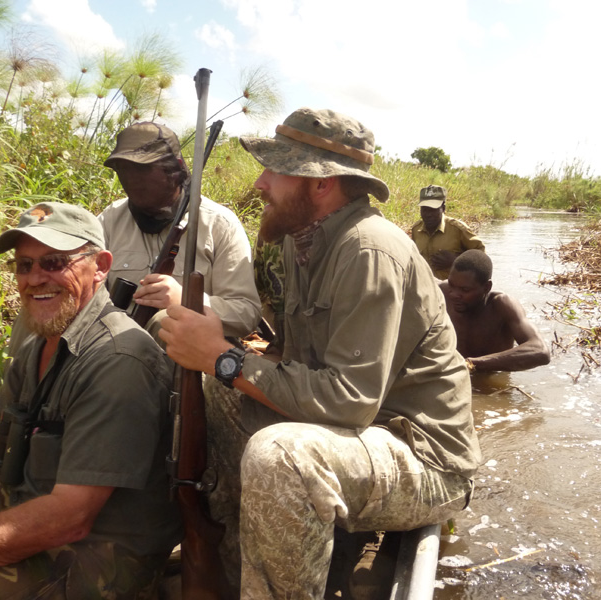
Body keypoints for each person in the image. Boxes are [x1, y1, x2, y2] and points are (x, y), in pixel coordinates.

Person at [158, 107, 482, 598]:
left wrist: (225, 356)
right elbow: (296, 361)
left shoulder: (368, 251)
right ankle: (230, 566)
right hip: (356, 435)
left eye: (276, 169)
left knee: (279, 455)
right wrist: (222, 365)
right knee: (215, 392)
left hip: (423, 458)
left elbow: (350, 402)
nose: (261, 182)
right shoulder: (299, 242)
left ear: (321, 183)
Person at [0, 202, 182, 598]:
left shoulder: (119, 360)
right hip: (34, 497)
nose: (35, 278)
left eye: (55, 262)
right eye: (24, 266)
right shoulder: (42, 336)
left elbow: (70, 518)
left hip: (93, 563)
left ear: (100, 265)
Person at [98, 121, 262, 339]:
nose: (133, 179)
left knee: (164, 322)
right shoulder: (110, 220)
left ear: (174, 170)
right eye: (124, 169)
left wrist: (186, 301)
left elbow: (246, 313)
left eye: (143, 169)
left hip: (190, 357)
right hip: (113, 351)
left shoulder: (219, 224)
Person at [441, 249, 551, 372]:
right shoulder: (441, 293)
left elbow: (541, 351)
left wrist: (471, 364)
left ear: (487, 287)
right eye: (451, 285)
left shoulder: (502, 305)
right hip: (452, 374)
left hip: (489, 378)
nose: (454, 294)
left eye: (465, 290)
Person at [410, 184, 485, 279]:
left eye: (433, 210)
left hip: (452, 291)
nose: (428, 214)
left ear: (443, 209)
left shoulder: (458, 229)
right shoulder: (416, 230)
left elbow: (482, 257)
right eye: (424, 209)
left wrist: (456, 261)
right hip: (425, 289)